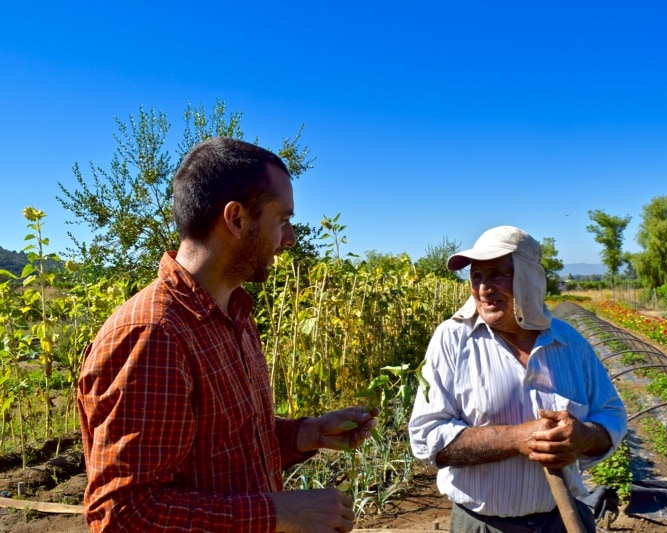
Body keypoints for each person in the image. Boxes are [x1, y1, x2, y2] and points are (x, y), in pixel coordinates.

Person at [78, 137, 378, 533]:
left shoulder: (234, 314)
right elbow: (124, 514)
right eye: (282, 221)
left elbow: (226, 445)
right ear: (236, 218)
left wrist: (306, 433)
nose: (288, 240)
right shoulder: (152, 335)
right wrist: (279, 513)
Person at [408, 226, 627, 532]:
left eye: (497, 274)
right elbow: (427, 437)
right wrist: (518, 438)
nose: (483, 288)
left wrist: (585, 437)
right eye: (476, 277)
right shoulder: (452, 340)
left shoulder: (570, 343)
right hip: (484, 526)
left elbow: (612, 414)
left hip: (563, 520)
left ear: (528, 280)